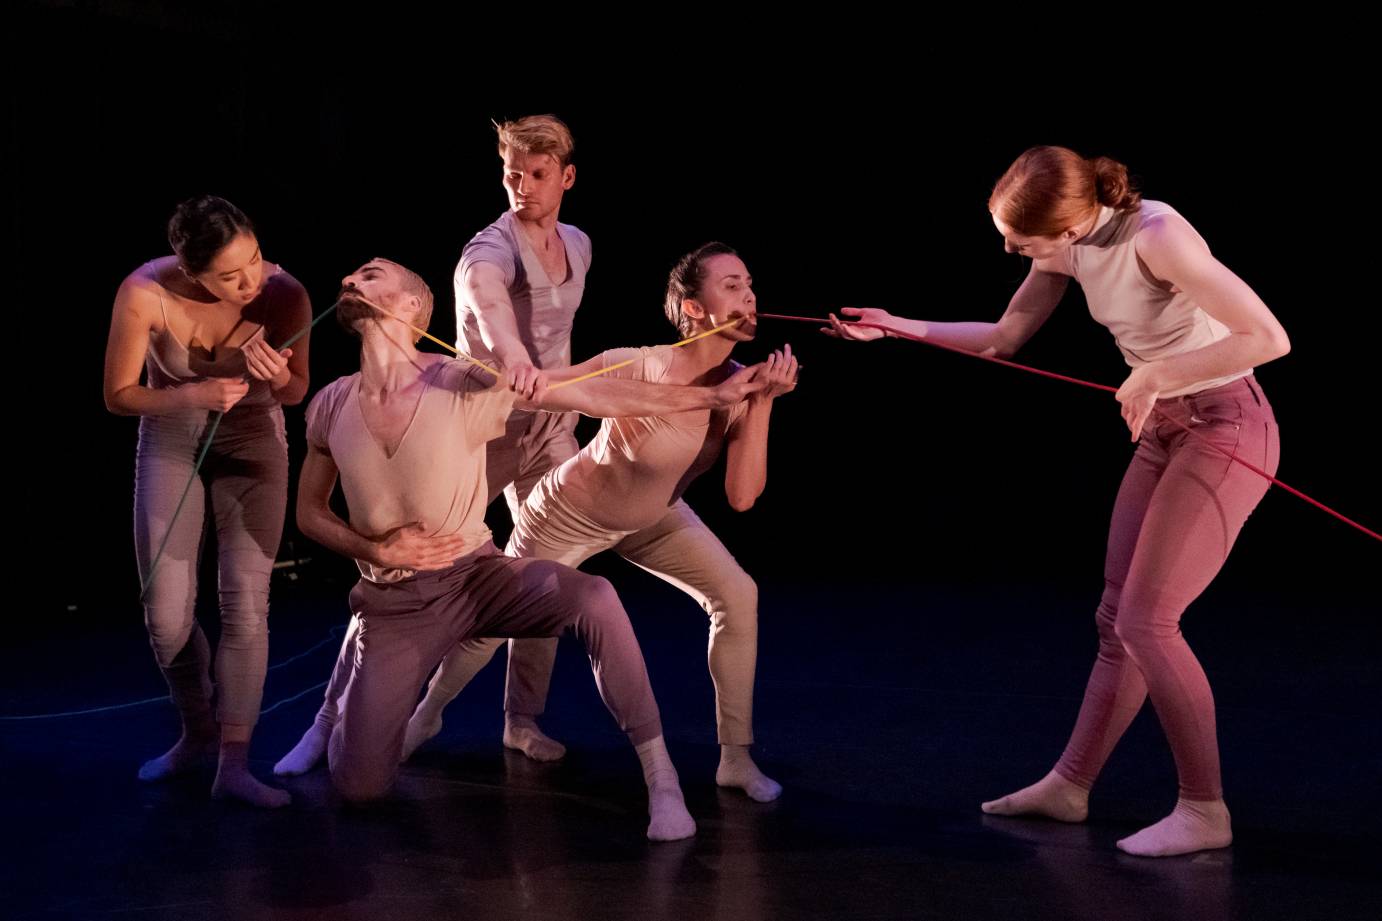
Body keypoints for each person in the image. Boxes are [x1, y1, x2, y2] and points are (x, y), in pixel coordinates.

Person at [828, 146, 1289, 857]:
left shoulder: (1156, 237)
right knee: (1117, 618)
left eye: (1019, 240)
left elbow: (1268, 337)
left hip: (1228, 427)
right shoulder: (1069, 248)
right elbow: (1005, 338)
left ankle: (1205, 808)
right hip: (1166, 428)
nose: (1010, 249)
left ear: (1071, 228)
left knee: (1150, 621)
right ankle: (1071, 785)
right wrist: (895, 325)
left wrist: (1155, 372)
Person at [301, 256, 767, 839]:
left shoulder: (462, 380)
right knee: (360, 787)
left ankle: (664, 776)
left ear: (412, 307)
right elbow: (309, 514)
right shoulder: (331, 402)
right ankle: (357, 720)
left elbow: (596, 397)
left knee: (600, 598)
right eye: (351, 274)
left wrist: (720, 400)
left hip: (494, 567)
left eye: (370, 275)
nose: (349, 278)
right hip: (419, 588)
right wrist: (379, 552)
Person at [405, 243, 796, 803]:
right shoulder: (641, 363)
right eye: (731, 286)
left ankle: (734, 756)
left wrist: (762, 404)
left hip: (654, 518)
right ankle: (435, 716)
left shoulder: (742, 386)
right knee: (499, 620)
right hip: (568, 512)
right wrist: (528, 378)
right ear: (692, 308)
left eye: (749, 283)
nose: (750, 295)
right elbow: (558, 387)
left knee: (738, 594)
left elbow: (740, 497)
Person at [276, 113, 590, 773]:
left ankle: (520, 719)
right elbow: (493, 308)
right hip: (481, 424)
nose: (523, 187)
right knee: (401, 570)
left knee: (550, 575)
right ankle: (325, 720)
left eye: (537, 175)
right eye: (512, 175)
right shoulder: (486, 252)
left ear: (565, 178)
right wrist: (513, 360)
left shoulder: (581, 245)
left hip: (550, 429)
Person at [103, 195, 311, 807]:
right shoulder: (144, 292)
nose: (249, 281)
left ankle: (236, 763)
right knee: (165, 614)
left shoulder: (283, 292)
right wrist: (192, 396)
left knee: (245, 602)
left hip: (252, 439)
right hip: (172, 434)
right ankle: (196, 731)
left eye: (253, 259)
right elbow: (118, 395)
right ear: (190, 271)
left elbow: (296, 393)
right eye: (228, 275)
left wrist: (275, 377)